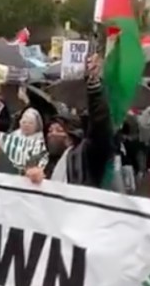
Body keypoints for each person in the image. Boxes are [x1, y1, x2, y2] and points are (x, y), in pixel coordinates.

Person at [25, 54, 114, 188]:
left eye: (59, 130)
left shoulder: (85, 158)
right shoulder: (44, 162)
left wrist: (94, 86)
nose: (52, 134)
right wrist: (32, 179)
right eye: (50, 130)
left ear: (71, 137)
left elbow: (100, 127)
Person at [0, 107, 48, 173]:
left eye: (30, 123)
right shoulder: (12, 136)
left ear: (37, 125)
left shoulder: (41, 140)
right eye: (24, 122)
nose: (27, 125)